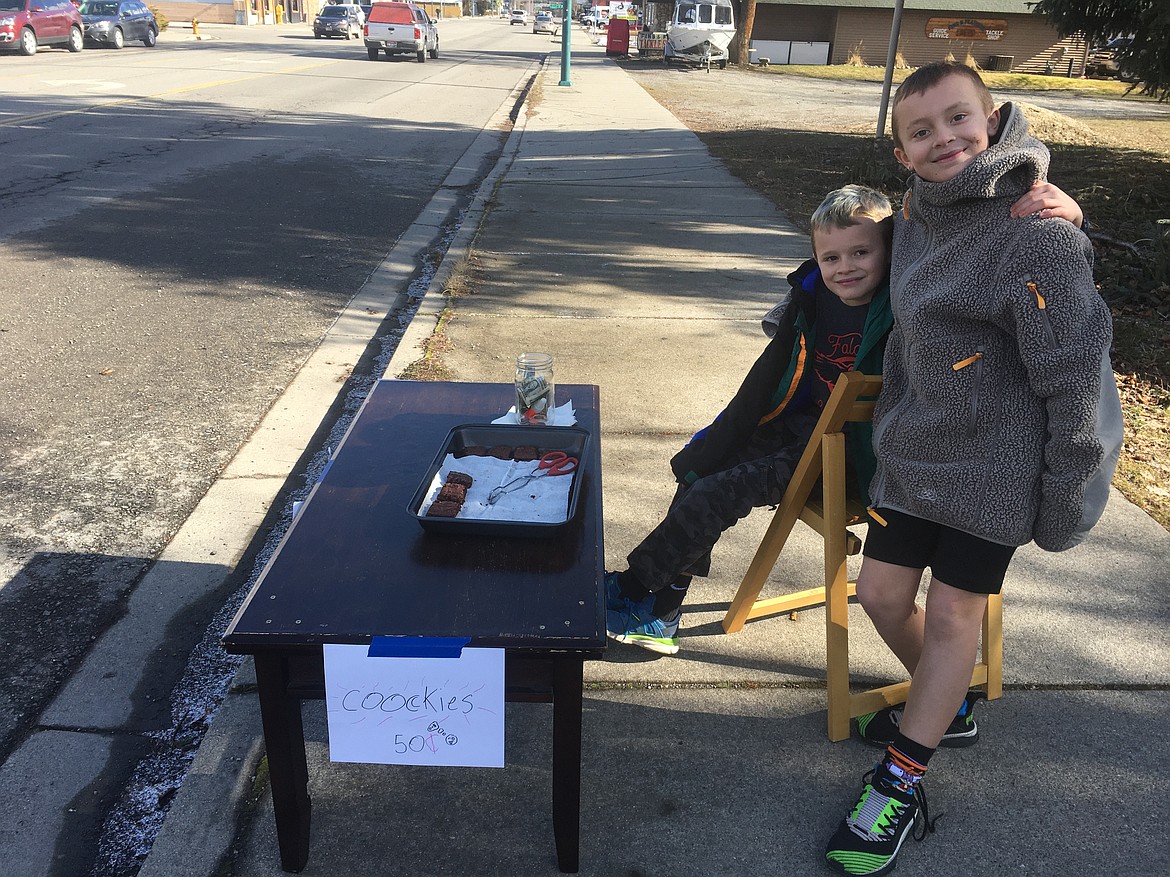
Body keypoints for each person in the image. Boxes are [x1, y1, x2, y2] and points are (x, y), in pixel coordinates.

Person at [824, 62, 1121, 877]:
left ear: (991, 120)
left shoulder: (1037, 234)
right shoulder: (919, 211)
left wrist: (1065, 493)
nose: (944, 138)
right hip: (914, 453)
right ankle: (941, 707)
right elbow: (851, 245)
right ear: (903, 152)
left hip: (995, 472)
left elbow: (1072, 376)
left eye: (959, 119)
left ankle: (902, 778)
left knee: (955, 615)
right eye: (922, 130)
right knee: (880, 595)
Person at [605, 184, 896, 656]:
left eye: (861, 252)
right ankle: (663, 609)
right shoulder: (813, 300)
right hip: (808, 429)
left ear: (891, 250)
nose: (846, 268)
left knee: (722, 490)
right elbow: (768, 378)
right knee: (705, 467)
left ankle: (637, 592)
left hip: (857, 456)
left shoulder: (901, 311)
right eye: (831, 258)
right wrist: (719, 439)